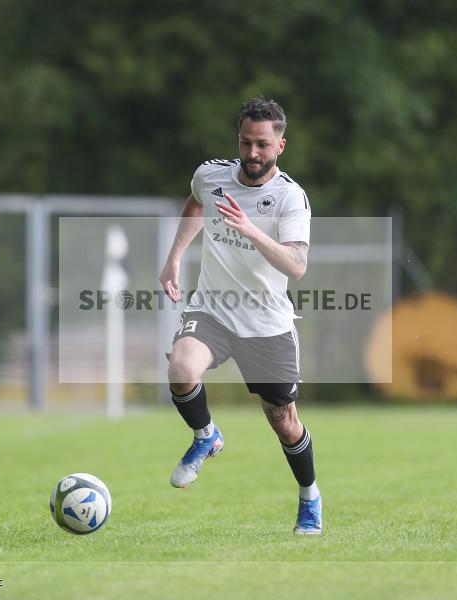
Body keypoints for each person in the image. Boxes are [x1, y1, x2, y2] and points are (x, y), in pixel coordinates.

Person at [158, 96, 321, 534]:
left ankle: (309, 498)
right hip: (213, 308)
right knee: (181, 367)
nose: (253, 153)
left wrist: (249, 229)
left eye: (263, 145)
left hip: (267, 323)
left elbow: (297, 266)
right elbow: (196, 203)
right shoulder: (211, 175)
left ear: (280, 146)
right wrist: (175, 257)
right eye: (247, 142)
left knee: (284, 423)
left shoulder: (290, 197)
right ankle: (206, 435)